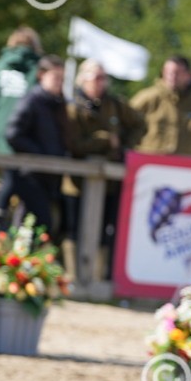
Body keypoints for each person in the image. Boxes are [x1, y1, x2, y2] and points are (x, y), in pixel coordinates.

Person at [62, 59, 145, 279]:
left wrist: (126, 146)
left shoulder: (115, 104)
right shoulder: (73, 107)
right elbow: (74, 144)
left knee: (107, 230)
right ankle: (73, 279)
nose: (100, 82)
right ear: (83, 79)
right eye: (96, 77)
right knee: (74, 229)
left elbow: (140, 124)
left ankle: (97, 279)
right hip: (76, 183)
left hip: (110, 182)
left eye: (103, 78)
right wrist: (107, 140)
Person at [0, 27, 43, 229]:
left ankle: (0, 216)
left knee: (12, 174)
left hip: (1, 128)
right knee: (19, 177)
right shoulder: (37, 67)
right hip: (26, 132)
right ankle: (2, 218)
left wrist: (0, 117)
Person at [3, 55, 68, 231]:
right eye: (56, 77)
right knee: (36, 223)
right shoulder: (32, 101)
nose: (59, 83)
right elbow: (12, 133)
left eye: (62, 78)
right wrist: (39, 154)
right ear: (42, 75)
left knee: (38, 225)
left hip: (47, 176)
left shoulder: (56, 104)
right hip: (31, 175)